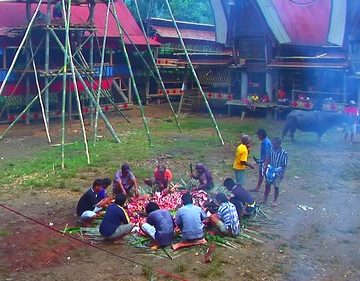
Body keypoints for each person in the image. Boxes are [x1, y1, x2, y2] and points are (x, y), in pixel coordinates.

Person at [263, 137, 288, 205]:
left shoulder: (284, 153)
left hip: (278, 172)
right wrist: (265, 168)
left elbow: (284, 164)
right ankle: (265, 199)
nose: (273, 146)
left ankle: (275, 200)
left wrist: (283, 173)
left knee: (276, 186)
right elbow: (268, 158)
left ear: (279, 144)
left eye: (274, 144)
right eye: (273, 144)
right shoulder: (272, 150)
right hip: (271, 171)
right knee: (267, 185)